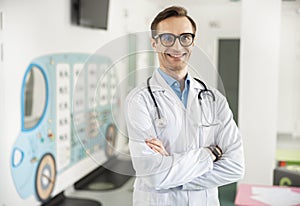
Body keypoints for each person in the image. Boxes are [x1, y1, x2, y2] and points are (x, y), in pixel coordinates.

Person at [125, 6, 244, 206]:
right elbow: (153, 175)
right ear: (154, 43)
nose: (177, 47)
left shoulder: (215, 100)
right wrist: (210, 153)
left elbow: (235, 167)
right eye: (167, 38)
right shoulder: (139, 100)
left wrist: (171, 175)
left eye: (185, 37)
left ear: (193, 42)